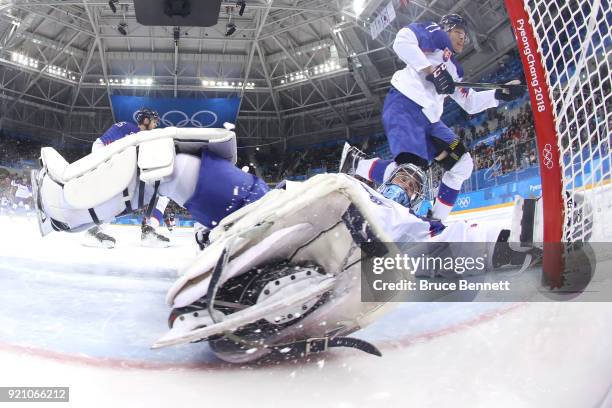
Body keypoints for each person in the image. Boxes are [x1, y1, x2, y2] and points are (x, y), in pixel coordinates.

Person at [340, 14, 524, 220]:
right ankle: (362, 176)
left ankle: (434, 221)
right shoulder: (435, 34)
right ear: (446, 29)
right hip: (405, 105)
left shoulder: (455, 68)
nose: (463, 38)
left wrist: (499, 95)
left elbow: (469, 102)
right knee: (408, 175)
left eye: (464, 35)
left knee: (461, 164)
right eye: (458, 32)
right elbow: (402, 41)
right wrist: (432, 71)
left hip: (430, 121)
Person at [84, 108, 172, 248]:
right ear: (146, 120)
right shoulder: (126, 128)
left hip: (130, 173)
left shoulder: (149, 139)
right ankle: (95, 228)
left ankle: (149, 229)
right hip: (114, 169)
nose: (156, 125)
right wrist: (107, 165)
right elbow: (99, 144)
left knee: (163, 193)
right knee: (117, 199)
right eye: (154, 121)